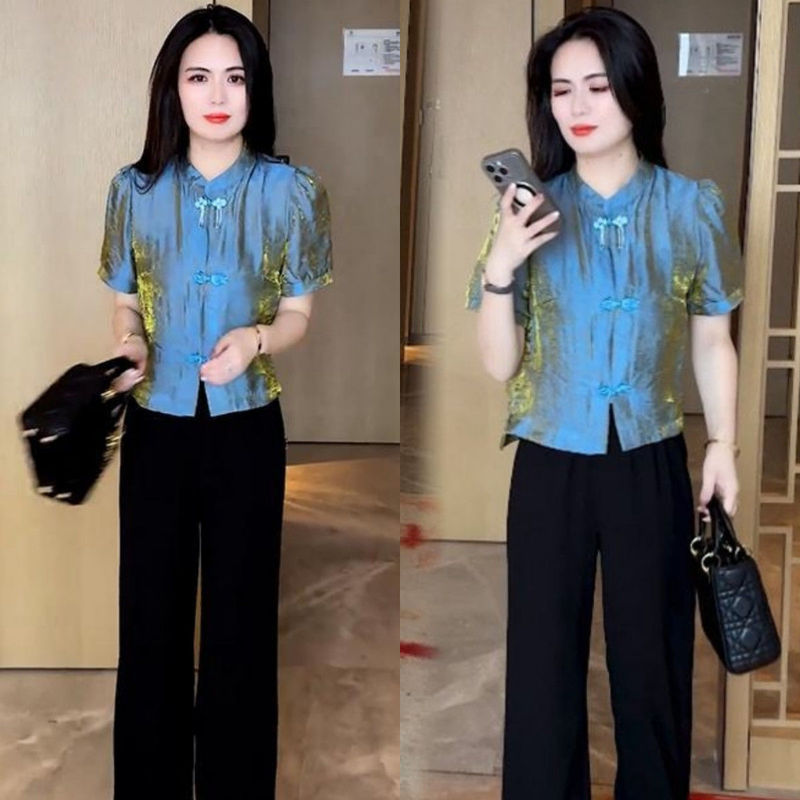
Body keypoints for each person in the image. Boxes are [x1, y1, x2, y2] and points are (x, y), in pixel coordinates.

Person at [466, 8, 741, 799]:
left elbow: (712, 339)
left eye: (597, 85)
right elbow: (500, 364)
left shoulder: (690, 206)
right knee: (542, 667)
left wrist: (721, 445)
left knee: (651, 664)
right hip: (549, 460)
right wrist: (502, 265)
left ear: (636, 91)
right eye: (561, 90)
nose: (578, 106)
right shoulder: (527, 209)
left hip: (649, 458)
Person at [98, 5, 332, 798]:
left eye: (235, 77)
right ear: (173, 88)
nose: (218, 95)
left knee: (240, 620)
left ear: (255, 88)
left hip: (247, 428)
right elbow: (124, 300)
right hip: (156, 426)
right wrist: (132, 344)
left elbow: (298, 313)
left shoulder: (291, 191)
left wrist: (258, 339)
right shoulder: (133, 189)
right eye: (199, 77)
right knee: (151, 617)